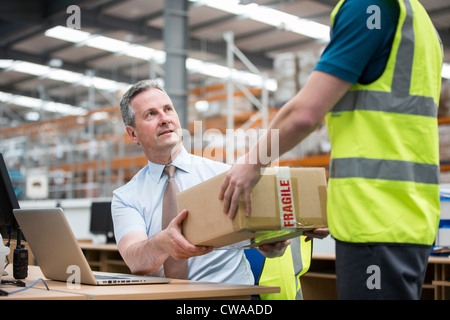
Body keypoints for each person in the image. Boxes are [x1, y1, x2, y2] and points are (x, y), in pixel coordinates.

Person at [219, 0, 443, 299]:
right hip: (405, 219)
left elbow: (306, 113)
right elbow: (384, 136)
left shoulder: (368, 7)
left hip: (376, 223)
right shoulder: (418, 20)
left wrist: (251, 163)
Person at [111, 79, 289, 284]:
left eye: (168, 109)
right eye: (151, 114)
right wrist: (161, 244)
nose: (164, 119)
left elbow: (266, 243)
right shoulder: (126, 197)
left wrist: (273, 245)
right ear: (133, 134)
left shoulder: (227, 176)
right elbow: (135, 261)